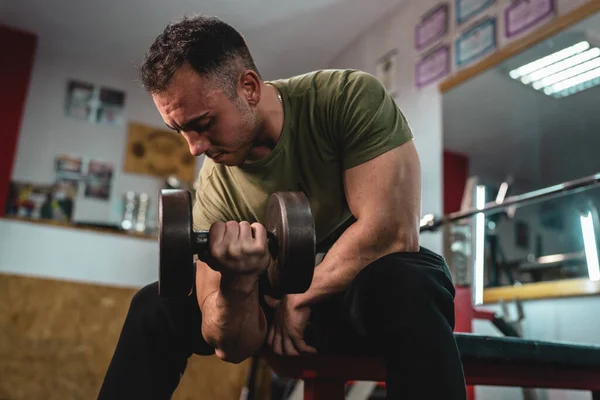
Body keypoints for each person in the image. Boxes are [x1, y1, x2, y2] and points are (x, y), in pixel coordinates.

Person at [97, 15, 466, 400]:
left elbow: (392, 231)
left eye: (203, 123)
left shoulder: (344, 97)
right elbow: (230, 345)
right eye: (182, 131)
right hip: (267, 310)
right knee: (152, 307)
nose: (194, 147)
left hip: (359, 296)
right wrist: (238, 282)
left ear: (249, 87)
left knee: (411, 278)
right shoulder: (213, 183)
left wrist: (303, 296)